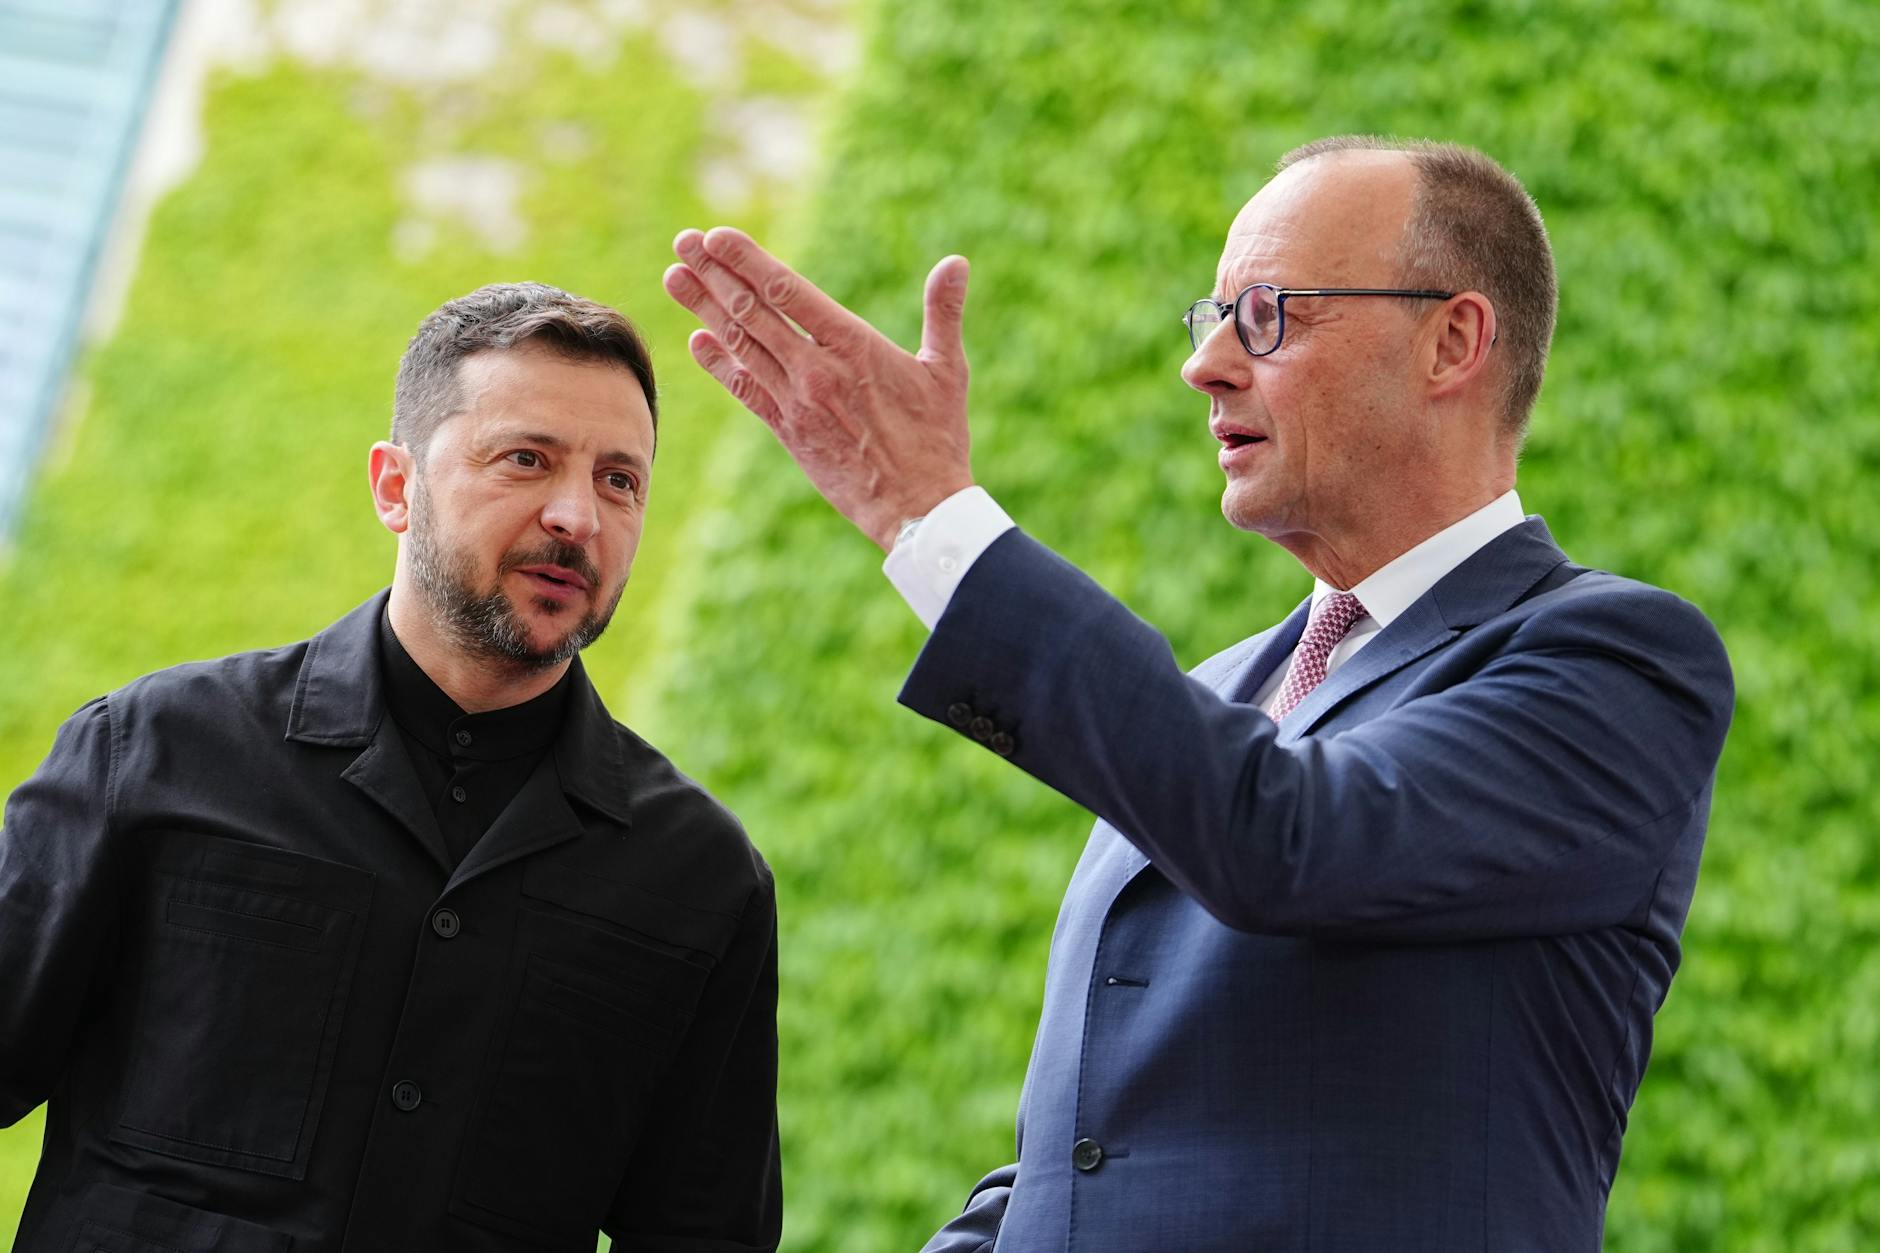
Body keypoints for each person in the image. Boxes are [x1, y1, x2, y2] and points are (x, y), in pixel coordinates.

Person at [662, 137, 1733, 1250]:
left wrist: (936, 525)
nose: (1206, 363)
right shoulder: (1227, 688)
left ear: (1451, 340)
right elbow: (1087, 1150)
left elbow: (1286, 837)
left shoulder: (1614, 660)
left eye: (1268, 314)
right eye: (1209, 317)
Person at [0, 283, 780, 1251]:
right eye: (526, 459)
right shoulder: (153, 752)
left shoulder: (701, 882)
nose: (578, 514)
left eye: (619, 480)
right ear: (393, 485)